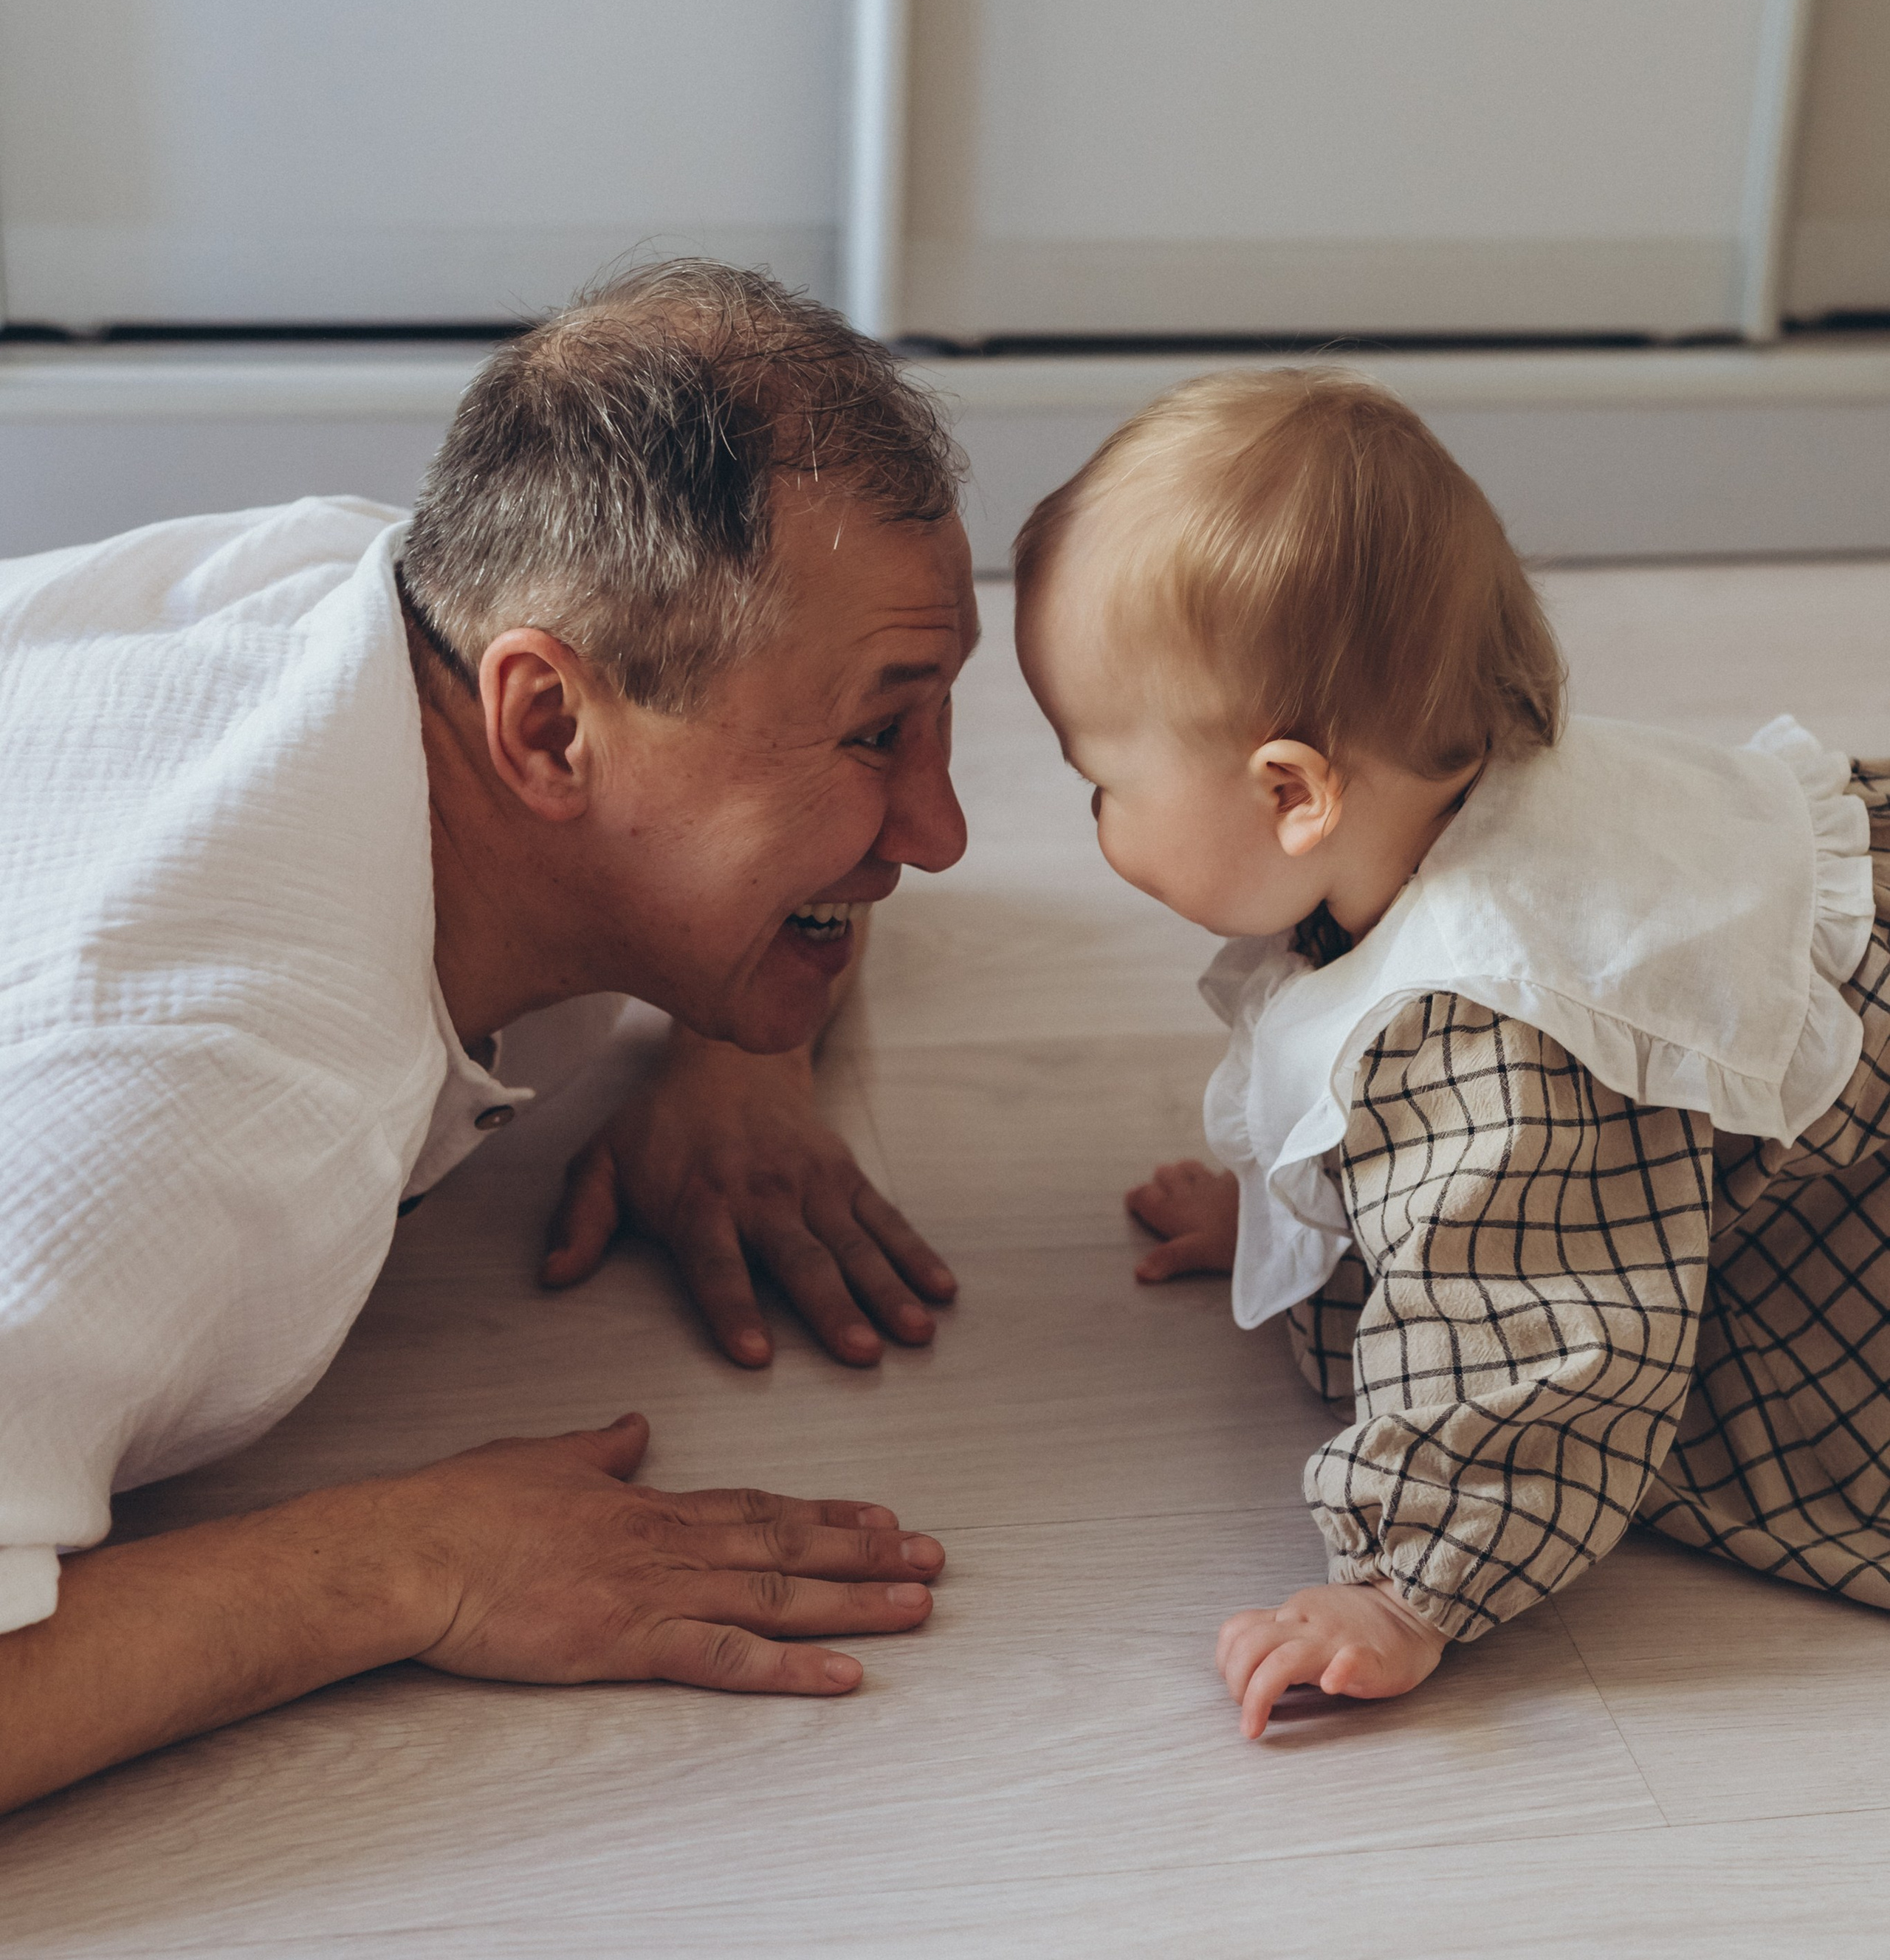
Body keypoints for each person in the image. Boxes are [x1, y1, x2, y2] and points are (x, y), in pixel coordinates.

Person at [0, 261, 977, 1814]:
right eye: (878, 733)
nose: (938, 830)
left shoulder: (383, 599)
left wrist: (731, 1054)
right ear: (547, 729)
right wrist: (410, 1564)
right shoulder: (201, 1098)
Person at [1014, 367, 1890, 1738]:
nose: (1095, 822)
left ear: (1293, 794)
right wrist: (1295, 1219)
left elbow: (1548, 1336)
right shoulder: (1434, 795)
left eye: (1101, 784)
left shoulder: (1482, 1041)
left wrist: (1404, 1587)